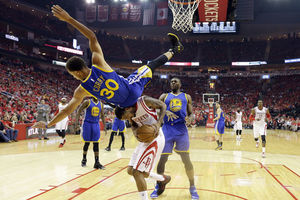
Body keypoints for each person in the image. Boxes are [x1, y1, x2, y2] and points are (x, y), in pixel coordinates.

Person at [33, 5, 183, 130]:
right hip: (131, 90)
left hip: (129, 95)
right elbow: (92, 36)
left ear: (77, 72)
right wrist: (69, 19)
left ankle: (174, 50)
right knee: (152, 64)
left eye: (73, 74)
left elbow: (67, 110)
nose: (73, 77)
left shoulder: (82, 89)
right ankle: (174, 50)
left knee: (151, 66)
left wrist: (48, 124)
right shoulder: (98, 63)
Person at [151, 78, 199, 200]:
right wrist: (165, 111)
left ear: (180, 84)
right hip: (167, 129)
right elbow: (155, 108)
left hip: (181, 129)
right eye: (171, 81)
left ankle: (192, 186)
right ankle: (158, 185)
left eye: (175, 81)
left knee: (186, 159)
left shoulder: (187, 96)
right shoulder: (164, 96)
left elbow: (191, 113)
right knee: (162, 159)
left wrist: (190, 119)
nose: (173, 83)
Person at [115, 96, 170, 200]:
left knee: (137, 172)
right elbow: (133, 126)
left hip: (155, 138)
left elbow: (163, 105)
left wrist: (158, 123)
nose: (128, 118)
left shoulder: (143, 101)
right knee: (131, 170)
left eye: (126, 117)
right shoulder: (130, 114)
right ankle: (163, 179)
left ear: (127, 109)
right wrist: (135, 132)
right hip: (145, 140)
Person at [76, 97, 107, 169]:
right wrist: (76, 123)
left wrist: (104, 126)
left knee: (96, 143)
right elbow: (79, 110)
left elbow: (102, 115)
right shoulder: (87, 102)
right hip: (87, 124)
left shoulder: (101, 104)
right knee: (87, 143)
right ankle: (84, 159)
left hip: (96, 124)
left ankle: (97, 162)